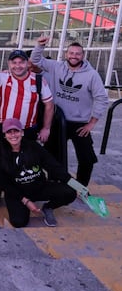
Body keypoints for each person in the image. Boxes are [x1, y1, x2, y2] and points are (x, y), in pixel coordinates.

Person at [30, 36, 109, 185]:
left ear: (83, 56)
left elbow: (101, 98)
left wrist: (92, 123)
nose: (74, 56)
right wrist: (40, 46)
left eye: (78, 54)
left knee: (87, 158)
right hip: (57, 121)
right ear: (66, 54)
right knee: (51, 155)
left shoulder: (91, 75)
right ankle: (55, 183)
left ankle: (81, 187)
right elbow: (35, 60)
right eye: (71, 53)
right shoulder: (57, 67)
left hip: (79, 123)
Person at [0, 118, 77, 227]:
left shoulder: (33, 147)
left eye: (16, 131)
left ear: (22, 132)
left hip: (38, 187)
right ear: (5, 135)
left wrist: (77, 185)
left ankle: (48, 208)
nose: (13, 135)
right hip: (18, 192)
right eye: (9, 132)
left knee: (71, 192)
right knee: (19, 222)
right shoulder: (1, 153)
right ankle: (23, 206)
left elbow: (53, 166)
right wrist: (26, 201)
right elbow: (2, 183)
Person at [0, 48, 54, 144]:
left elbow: (49, 104)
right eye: (14, 62)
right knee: (0, 153)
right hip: (3, 128)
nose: (17, 66)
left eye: (21, 62)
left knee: (26, 154)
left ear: (27, 63)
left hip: (27, 130)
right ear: (9, 64)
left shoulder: (38, 80)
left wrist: (46, 128)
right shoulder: (3, 77)